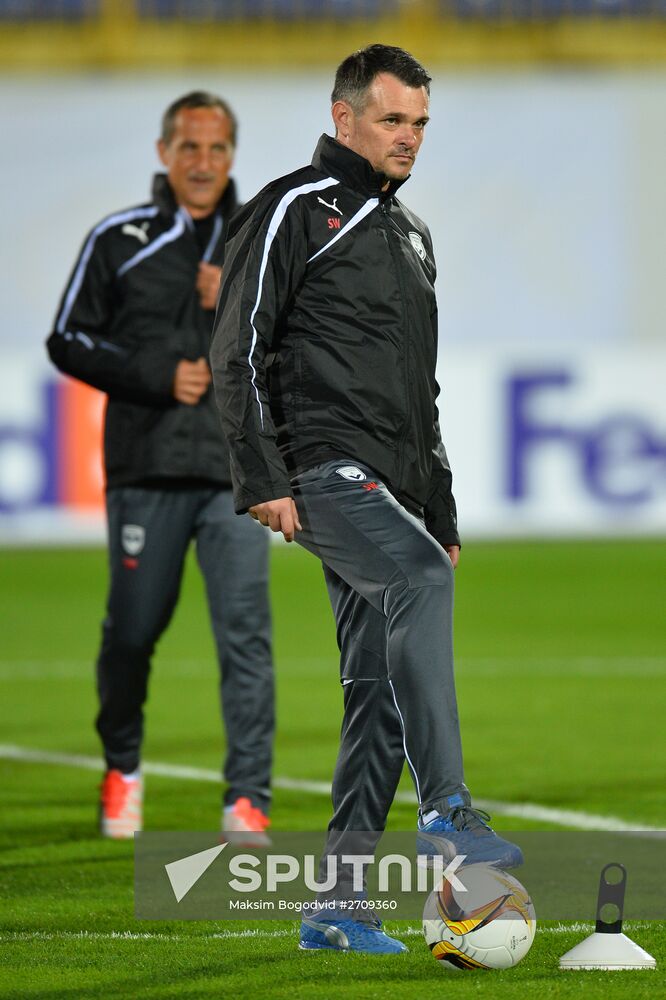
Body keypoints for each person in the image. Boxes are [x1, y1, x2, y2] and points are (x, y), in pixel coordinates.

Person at [211, 46, 524, 952]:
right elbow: (236, 346)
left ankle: (338, 907)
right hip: (319, 467)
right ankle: (450, 814)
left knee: (379, 690)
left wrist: (444, 514)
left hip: (394, 484)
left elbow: (419, 397)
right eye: (394, 120)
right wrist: (261, 474)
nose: (410, 138)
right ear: (344, 117)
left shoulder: (412, 234)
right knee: (419, 585)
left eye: (421, 123)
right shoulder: (294, 209)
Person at [47, 91, 274, 845]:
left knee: (246, 635)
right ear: (164, 153)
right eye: (189, 148)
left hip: (237, 472)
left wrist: (238, 296)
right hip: (146, 469)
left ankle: (248, 797)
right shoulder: (119, 237)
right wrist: (156, 373)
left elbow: (298, 345)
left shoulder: (260, 238)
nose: (203, 163)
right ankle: (123, 766)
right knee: (132, 635)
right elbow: (68, 338)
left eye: (216, 150)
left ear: (232, 156)